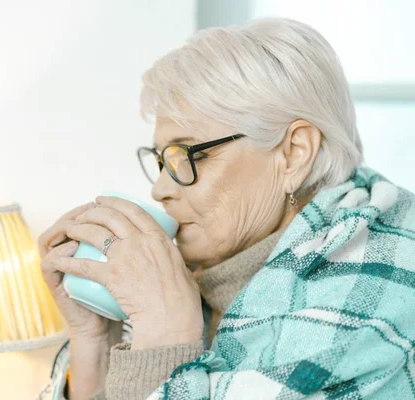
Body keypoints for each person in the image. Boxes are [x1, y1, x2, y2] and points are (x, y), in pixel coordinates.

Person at [37, 18, 415, 399]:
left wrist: (166, 336)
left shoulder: (377, 279)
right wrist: (95, 341)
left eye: (187, 154)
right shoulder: (204, 271)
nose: (160, 188)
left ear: (294, 153)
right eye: (161, 160)